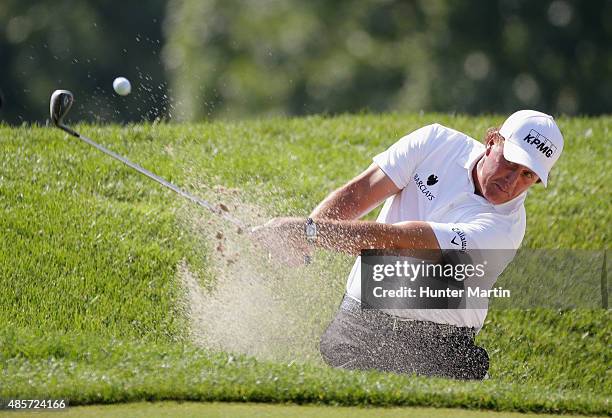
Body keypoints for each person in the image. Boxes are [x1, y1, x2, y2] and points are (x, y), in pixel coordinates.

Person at [252, 110, 564, 380]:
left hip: (437, 349)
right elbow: (361, 191)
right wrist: (306, 239)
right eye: (510, 162)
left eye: (528, 175)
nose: (512, 182)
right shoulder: (436, 143)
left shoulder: (503, 229)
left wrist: (307, 232)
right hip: (360, 323)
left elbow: (398, 242)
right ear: (493, 141)